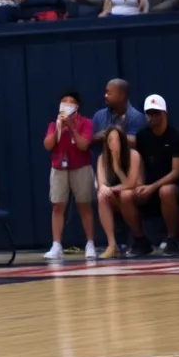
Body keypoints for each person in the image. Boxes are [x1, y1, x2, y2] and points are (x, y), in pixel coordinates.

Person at [133, 95, 179, 256]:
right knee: (127, 195)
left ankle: (172, 239)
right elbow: (140, 164)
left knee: (166, 191)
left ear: (165, 113)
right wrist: (140, 185)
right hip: (150, 184)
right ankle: (140, 241)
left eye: (156, 113)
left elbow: (177, 171)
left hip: (177, 186)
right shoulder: (142, 136)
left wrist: (152, 187)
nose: (152, 117)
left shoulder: (178, 137)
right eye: (149, 114)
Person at [42, 90, 96, 261]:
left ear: (76, 106)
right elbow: (48, 145)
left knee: (84, 205)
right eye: (63, 101)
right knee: (57, 206)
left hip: (80, 167)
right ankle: (56, 245)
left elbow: (83, 145)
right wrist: (59, 128)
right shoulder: (54, 124)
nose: (66, 104)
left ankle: (90, 243)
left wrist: (72, 128)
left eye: (70, 102)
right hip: (59, 168)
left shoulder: (86, 123)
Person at [96, 125, 143, 259]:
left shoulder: (133, 155)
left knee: (126, 194)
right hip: (116, 198)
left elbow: (130, 184)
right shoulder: (102, 158)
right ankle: (112, 245)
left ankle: (139, 236)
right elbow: (101, 183)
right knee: (101, 196)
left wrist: (117, 167)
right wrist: (105, 188)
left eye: (117, 139)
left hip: (137, 197)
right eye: (110, 140)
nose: (113, 143)